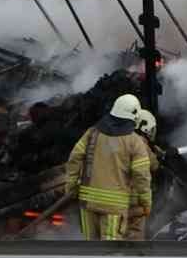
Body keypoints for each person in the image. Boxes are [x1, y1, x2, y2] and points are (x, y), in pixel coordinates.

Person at [64, 94, 151, 240]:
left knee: (91, 247)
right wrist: (146, 202)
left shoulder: (92, 133)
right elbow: (141, 175)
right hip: (113, 207)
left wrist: (71, 187)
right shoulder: (135, 141)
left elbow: (74, 159)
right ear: (134, 115)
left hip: (88, 202)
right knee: (110, 249)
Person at [125, 109, 162, 240]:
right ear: (146, 128)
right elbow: (155, 166)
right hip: (132, 200)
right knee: (135, 236)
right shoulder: (140, 143)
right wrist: (160, 156)